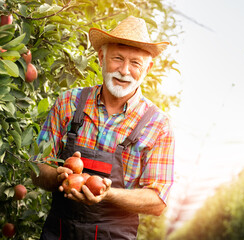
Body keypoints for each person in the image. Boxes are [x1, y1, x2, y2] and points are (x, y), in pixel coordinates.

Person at [31, 16, 175, 240]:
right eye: (117, 58)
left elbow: (158, 201)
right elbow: (37, 167)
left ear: (148, 68)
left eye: (135, 63)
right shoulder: (69, 102)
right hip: (58, 232)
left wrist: (108, 194)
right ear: (101, 57)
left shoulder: (158, 126)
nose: (125, 70)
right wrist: (59, 177)